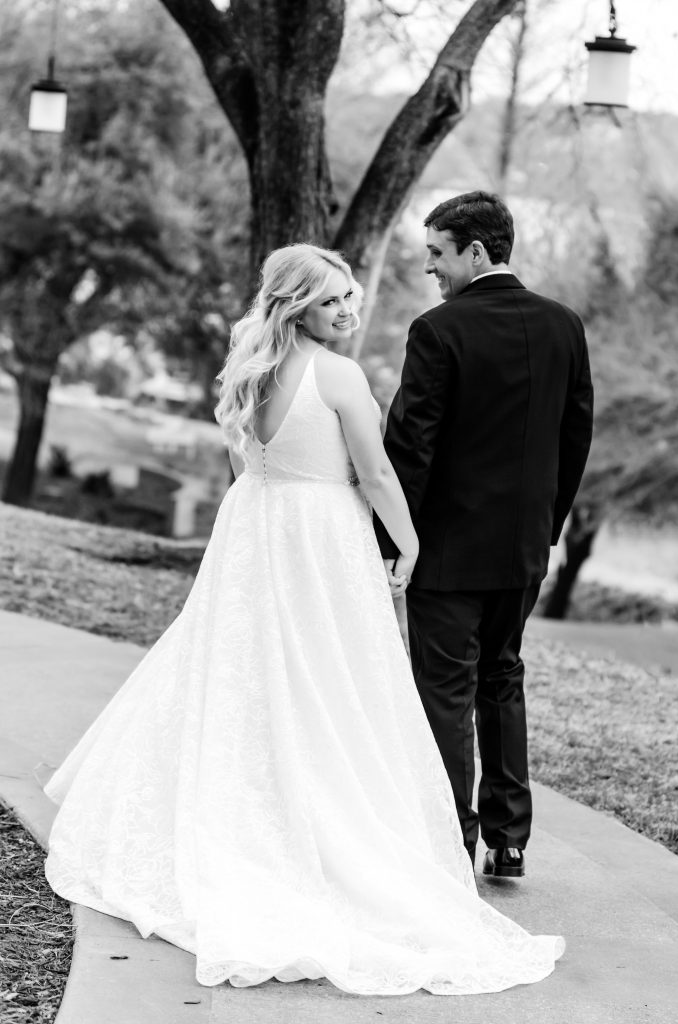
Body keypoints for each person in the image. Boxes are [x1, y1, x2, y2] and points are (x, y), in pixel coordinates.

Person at [45, 243, 564, 996]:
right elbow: (377, 470)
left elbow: (243, 463)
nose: (348, 311)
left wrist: (268, 498)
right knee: (328, 678)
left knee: (247, 672)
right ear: (297, 305)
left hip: (254, 525)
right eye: (332, 301)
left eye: (349, 296)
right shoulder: (339, 375)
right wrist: (410, 542)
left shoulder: (248, 363)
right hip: (321, 535)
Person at [374, 191, 594, 877]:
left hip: (446, 550)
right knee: (502, 677)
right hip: (524, 548)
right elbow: (575, 437)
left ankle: (449, 841)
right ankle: (509, 838)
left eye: (438, 253)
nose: (430, 269)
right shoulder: (564, 326)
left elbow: (411, 446)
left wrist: (391, 544)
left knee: (444, 691)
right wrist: (546, 530)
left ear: (475, 250)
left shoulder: (438, 331)